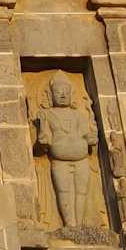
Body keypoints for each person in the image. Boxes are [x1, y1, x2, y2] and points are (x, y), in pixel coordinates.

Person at [33, 79, 99, 230]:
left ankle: (80, 225)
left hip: (81, 159)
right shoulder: (47, 115)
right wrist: (42, 139)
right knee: (63, 191)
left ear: (71, 94)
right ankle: (69, 225)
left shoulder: (79, 115)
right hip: (60, 160)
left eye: (66, 91)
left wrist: (91, 138)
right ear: (50, 96)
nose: (62, 94)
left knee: (81, 191)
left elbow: (87, 135)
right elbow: (41, 146)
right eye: (58, 91)